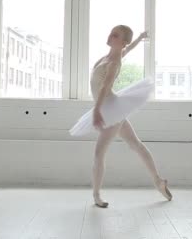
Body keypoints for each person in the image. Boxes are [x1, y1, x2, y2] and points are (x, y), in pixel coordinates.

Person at [69, 25, 172, 208]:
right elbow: (128, 49)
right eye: (111, 32)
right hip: (112, 108)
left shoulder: (114, 62)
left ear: (122, 41)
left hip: (109, 109)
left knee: (99, 153)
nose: (110, 35)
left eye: (115, 35)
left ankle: (96, 195)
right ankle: (158, 181)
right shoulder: (109, 57)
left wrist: (97, 109)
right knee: (136, 144)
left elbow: (105, 87)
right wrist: (140, 38)